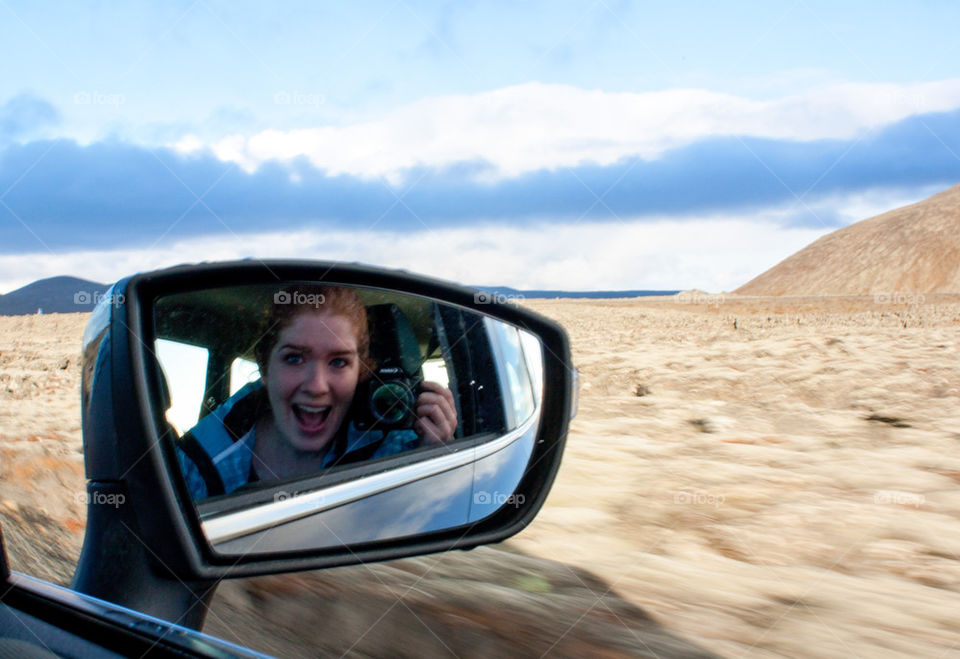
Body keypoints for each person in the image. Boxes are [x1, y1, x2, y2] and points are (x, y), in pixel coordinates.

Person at [176, 285, 458, 500]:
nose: (316, 386)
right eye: (295, 358)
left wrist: (429, 458)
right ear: (265, 367)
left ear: (359, 372)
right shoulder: (193, 466)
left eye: (338, 362)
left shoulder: (396, 445)